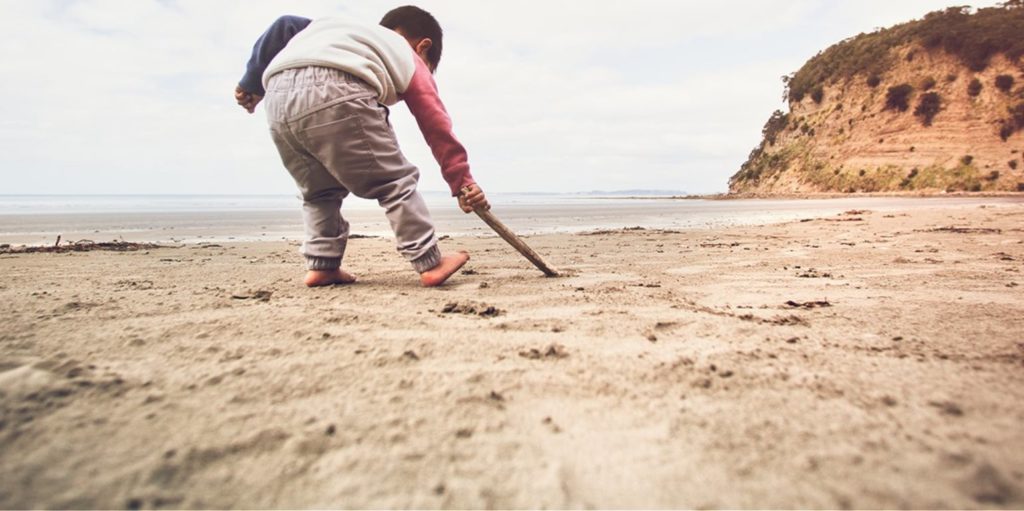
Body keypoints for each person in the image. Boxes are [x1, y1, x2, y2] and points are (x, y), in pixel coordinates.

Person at [234, 6, 489, 287]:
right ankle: (430, 261)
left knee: (318, 191)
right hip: (339, 89)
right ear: (423, 47)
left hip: (277, 98)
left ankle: (323, 265)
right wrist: (462, 182)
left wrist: (251, 84)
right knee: (395, 181)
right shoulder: (407, 54)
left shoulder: (331, 30)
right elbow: (436, 125)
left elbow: (284, 26)